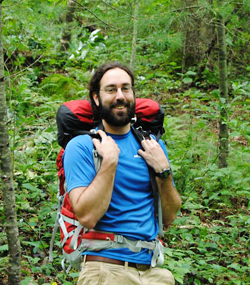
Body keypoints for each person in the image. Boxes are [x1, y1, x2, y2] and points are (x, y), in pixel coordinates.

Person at [63, 62, 182, 285]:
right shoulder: (81, 147)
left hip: (153, 272)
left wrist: (163, 171)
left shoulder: (152, 146)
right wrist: (109, 162)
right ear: (96, 98)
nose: (120, 96)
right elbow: (87, 216)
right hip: (105, 270)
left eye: (126, 88)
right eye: (111, 89)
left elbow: (169, 216)